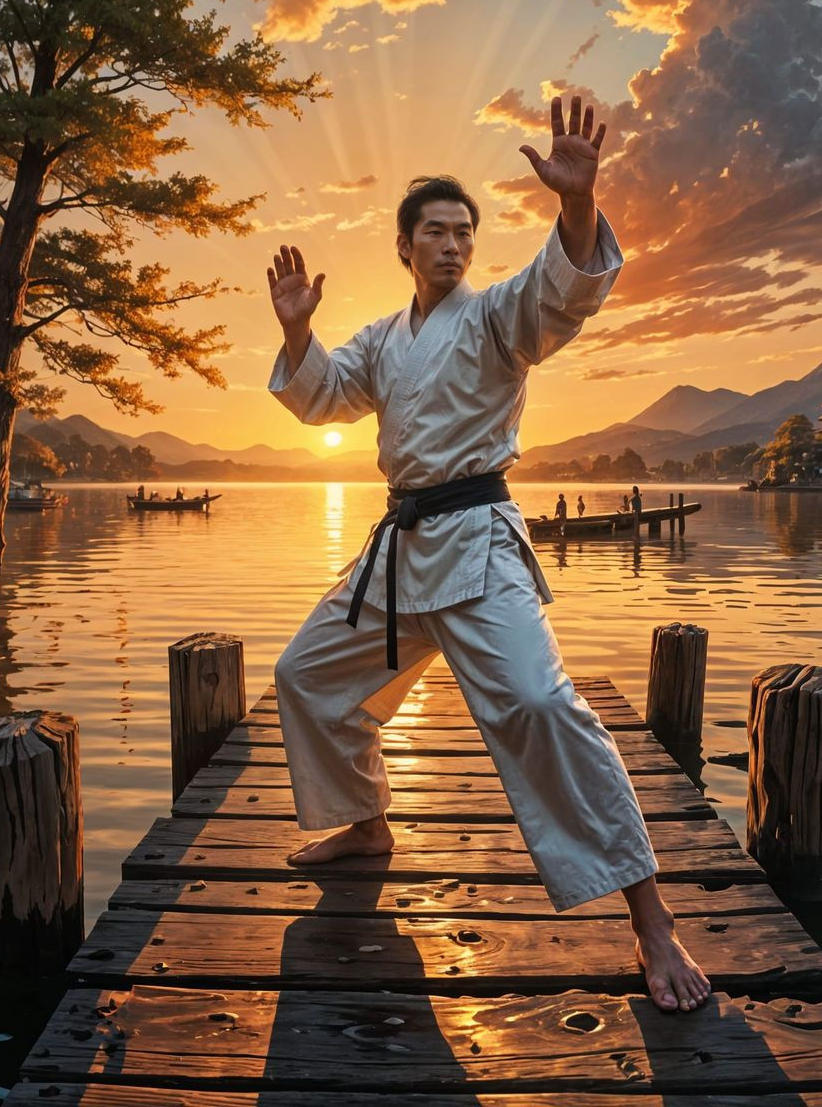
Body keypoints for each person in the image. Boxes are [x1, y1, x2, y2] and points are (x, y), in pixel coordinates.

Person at [267, 95, 710, 1014]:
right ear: (405, 246)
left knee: (544, 704)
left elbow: (560, 295)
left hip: (476, 544)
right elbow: (324, 399)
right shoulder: (386, 339)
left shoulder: (497, 316)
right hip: (399, 547)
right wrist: (297, 329)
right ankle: (366, 824)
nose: (454, 245)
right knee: (305, 674)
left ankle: (652, 921)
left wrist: (578, 208)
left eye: (465, 232)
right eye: (435, 232)